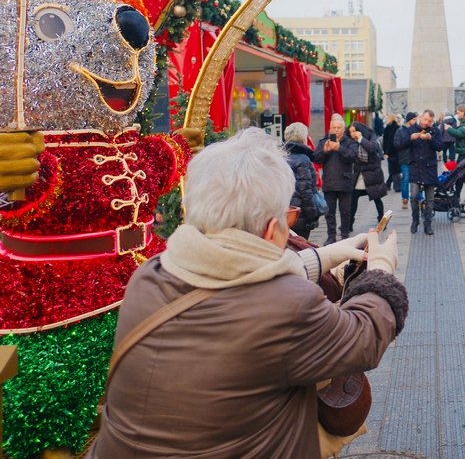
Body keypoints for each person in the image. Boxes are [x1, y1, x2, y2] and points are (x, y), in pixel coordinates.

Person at [89, 127, 408, 458]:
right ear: (273, 230)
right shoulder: (288, 306)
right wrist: (382, 267)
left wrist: (327, 255)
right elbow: (364, 336)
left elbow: (236, 276)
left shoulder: (149, 276)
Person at [394, 109, 444, 235]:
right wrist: (411, 138)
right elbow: (399, 145)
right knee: (414, 196)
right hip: (415, 167)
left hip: (430, 169)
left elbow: (440, 146)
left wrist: (430, 139)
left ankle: (428, 224)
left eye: (429, 121)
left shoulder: (434, 131)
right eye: (425, 119)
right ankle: (415, 220)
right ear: (421, 117)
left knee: (430, 199)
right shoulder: (411, 129)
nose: (426, 123)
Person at [314, 114, 358, 244]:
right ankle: (331, 236)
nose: (336, 130)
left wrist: (339, 148)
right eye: (334, 127)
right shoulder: (323, 142)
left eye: (339, 127)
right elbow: (316, 158)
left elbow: (353, 156)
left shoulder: (350, 142)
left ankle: (345, 235)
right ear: (329, 129)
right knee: (330, 213)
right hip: (329, 182)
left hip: (345, 182)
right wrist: (325, 151)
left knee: (345, 211)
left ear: (343, 129)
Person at [283, 122, 322, 241]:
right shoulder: (303, 160)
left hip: (284, 211)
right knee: (301, 247)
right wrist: (313, 215)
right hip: (300, 213)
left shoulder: (281, 156)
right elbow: (306, 191)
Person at [349, 121, 387, 226]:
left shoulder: (371, 136)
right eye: (350, 132)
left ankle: (382, 221)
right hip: (359, 176)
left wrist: (361, 139)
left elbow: (372, 148)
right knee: (353, 198)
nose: (352, 134)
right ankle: (350, 222)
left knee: (377, 199)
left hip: (372, 175)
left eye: (354, 131)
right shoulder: (352, 142)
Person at [445, 104, 465, 205]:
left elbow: (460, 133)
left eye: (458, 112)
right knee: (459, 175)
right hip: (463, 152)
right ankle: (457, 196)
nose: (457, 114)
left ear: (463, 112)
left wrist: (448, 129)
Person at [393, 112, 417, 210]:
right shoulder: (400, 131)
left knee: (417, 180)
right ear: (409, 120)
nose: (415, 121)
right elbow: (397, 145)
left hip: (415, 159)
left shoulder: (416, 129)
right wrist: (409, 139)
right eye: (414, 119)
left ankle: (419, 198)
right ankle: (405, 199)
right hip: (405, 159)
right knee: (406, 179)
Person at [382, 113, 402, 190]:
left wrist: (385, 152)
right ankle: (390, 185)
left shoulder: (387, 129)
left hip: (390, 151)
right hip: (397, 150)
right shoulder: (398, 128)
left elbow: (386, 142)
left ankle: (392, 185)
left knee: (393, 169)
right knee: (395, 168)